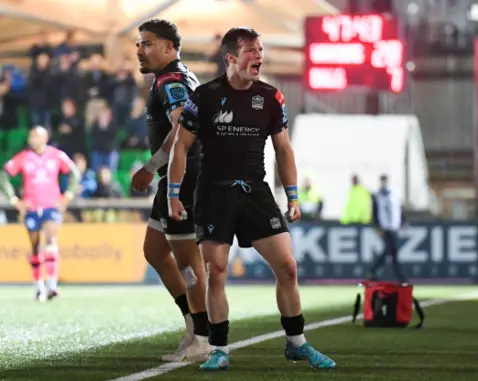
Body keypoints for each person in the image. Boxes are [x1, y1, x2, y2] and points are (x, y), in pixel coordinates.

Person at [167, 27, 336, 371]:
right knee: (216, 272)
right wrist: (173, 194)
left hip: (255, 192)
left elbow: (284, 148)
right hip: (214, 193)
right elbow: (180, 146)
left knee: (288, 267)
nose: (259, 56)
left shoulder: (271, 97)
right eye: (251, 51)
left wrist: (292, 196)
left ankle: (297, 344)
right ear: (231, 58)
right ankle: (219, 349)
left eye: (261, 50)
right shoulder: (203, 96)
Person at [129, 18, 211, 362]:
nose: (139, 50)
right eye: (138, 43)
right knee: (154, 250)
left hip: (185, 178)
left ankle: (204, 338)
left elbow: (181, 127)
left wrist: (150, 168)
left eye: (147, 43)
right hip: (176, 179)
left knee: (189, 262)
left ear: (168, 47)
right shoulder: (171, 78)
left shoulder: (172, 79)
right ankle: (194, 324)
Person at [0, 126, 80, 301]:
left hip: (51, 206)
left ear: (45, 138)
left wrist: (68, 195)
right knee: (35, 247)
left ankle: (52, 285)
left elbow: (74, 173)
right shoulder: (24, 157)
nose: (32, 139)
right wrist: (14, 200)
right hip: (32, 208)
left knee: (51, 240)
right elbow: (1, 175)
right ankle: (38, 286)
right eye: (31, 136)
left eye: (35, 136)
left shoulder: (57, 155)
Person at [368, 174, 407, 283]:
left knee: (389, 251)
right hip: (385, 228)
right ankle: (400, 276)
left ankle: (373, 271)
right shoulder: (377, 196)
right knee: (392, 251)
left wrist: (403, 221)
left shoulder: (394, 194)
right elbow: (374, 214)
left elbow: (399, 209)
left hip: (394, 227)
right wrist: (377, 228)